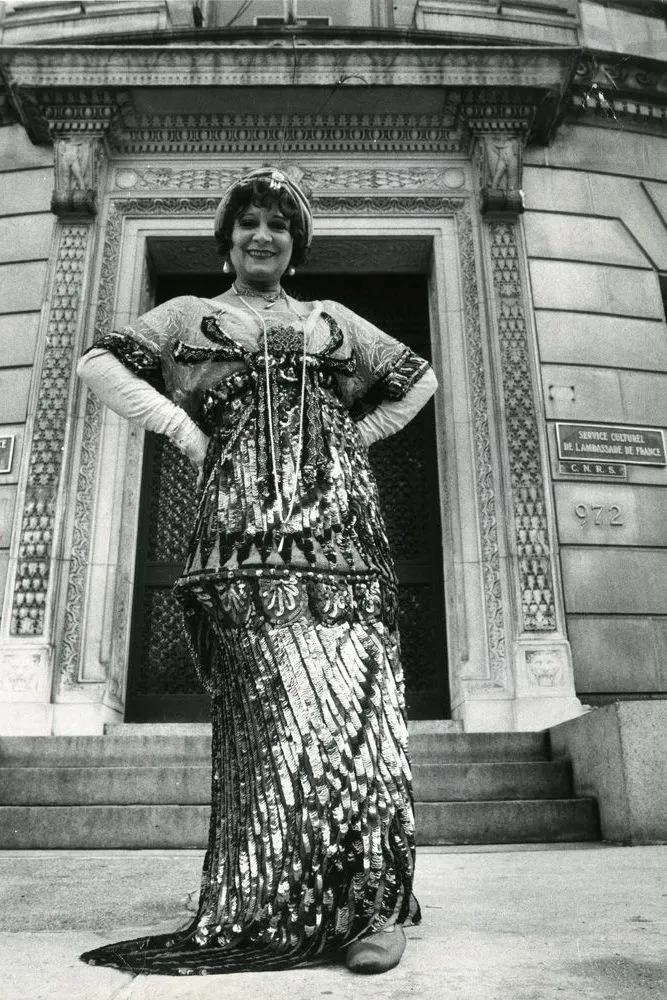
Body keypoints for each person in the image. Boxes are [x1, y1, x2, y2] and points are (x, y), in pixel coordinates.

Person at [77, 166, 437, 977]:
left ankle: (372, 902)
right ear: (228, 239)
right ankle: (276, 889)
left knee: (357, 715)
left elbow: (419, 380)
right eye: (249, 223)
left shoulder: (330, 319)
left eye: (278, 224)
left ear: (295, 244)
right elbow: (99, 364)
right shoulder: (186, 315)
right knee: (273, 723)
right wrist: (184, 432)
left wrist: (352, 439)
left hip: (342, 539)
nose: (262, 235)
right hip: (242, 545)